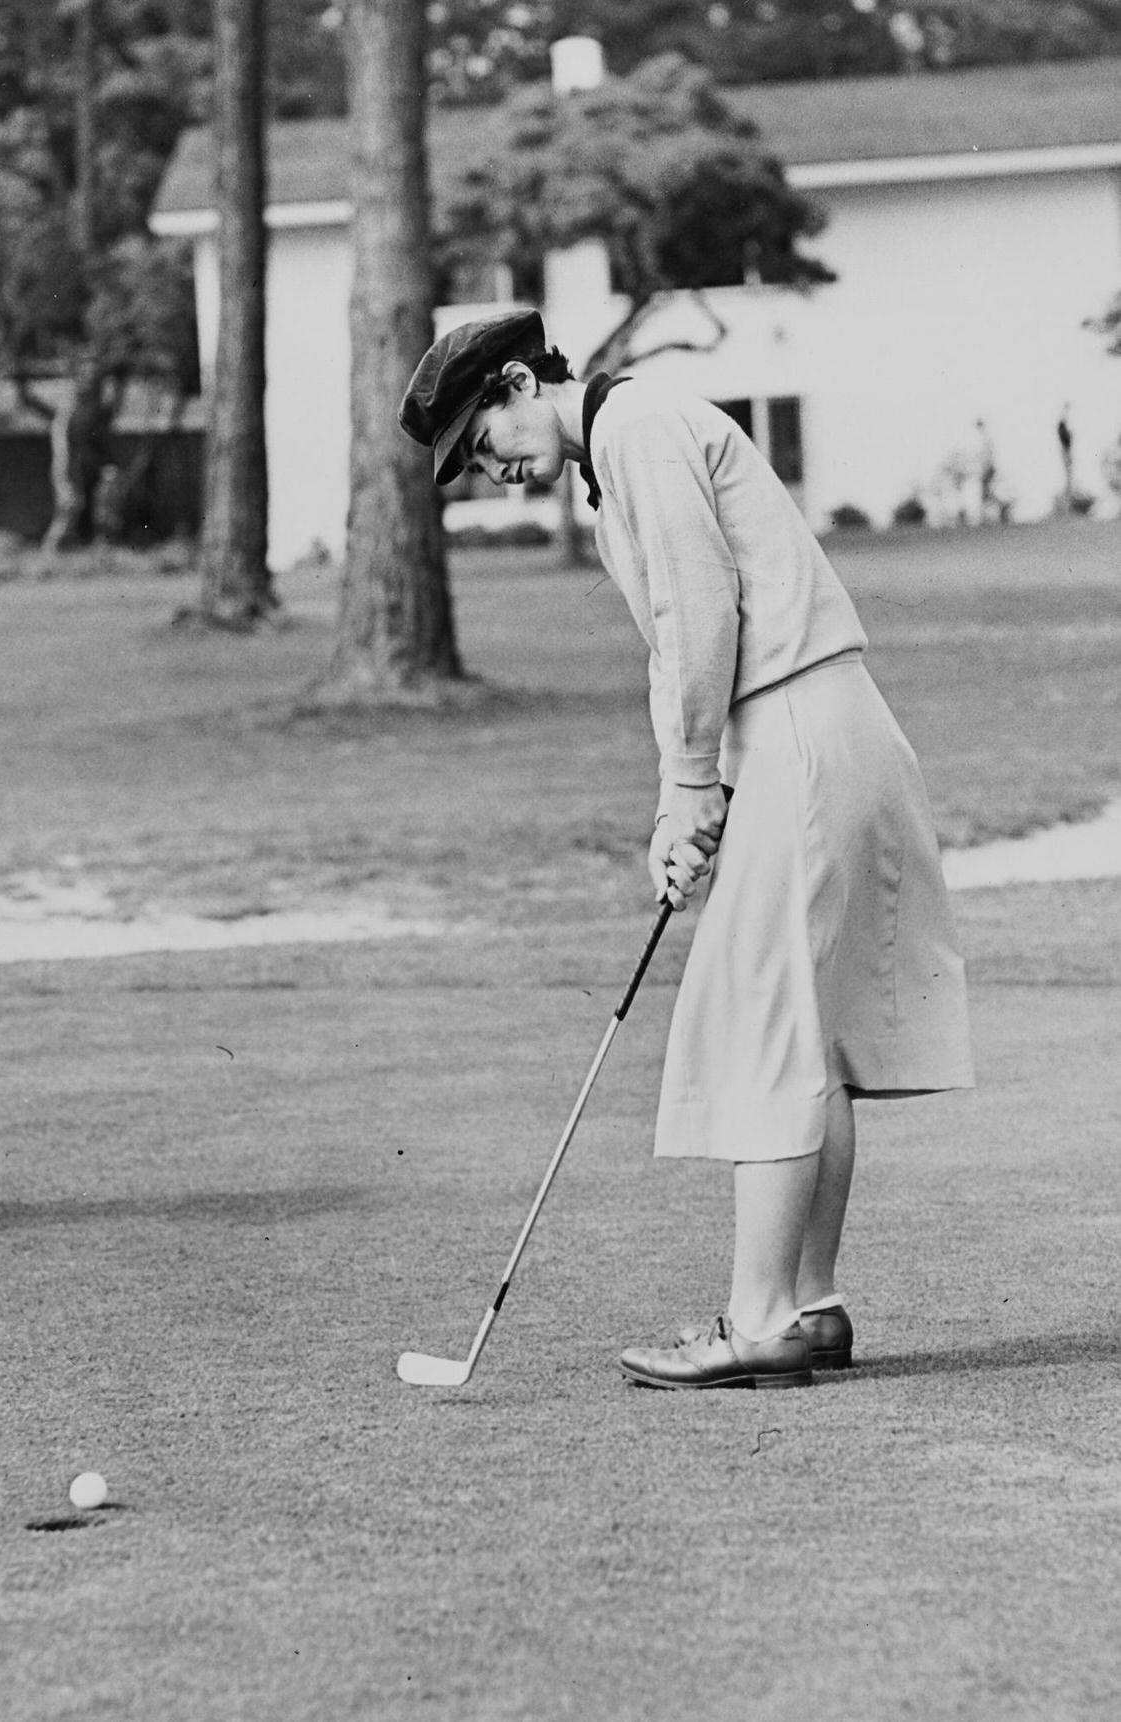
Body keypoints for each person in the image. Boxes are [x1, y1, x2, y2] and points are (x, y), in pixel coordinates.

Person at [399, 311, 975, 1391]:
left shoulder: (635, 429)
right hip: (821, 729)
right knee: (808, 1032)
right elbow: (685, 630)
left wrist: (686, 782)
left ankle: (757, 1318)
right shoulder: (625, 443)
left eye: (485, 442)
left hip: (795, 728)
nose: (496, 470)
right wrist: (696, 787)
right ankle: (806, 1305)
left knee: (764, 1024)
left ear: (521, 380)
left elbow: (701, 614)